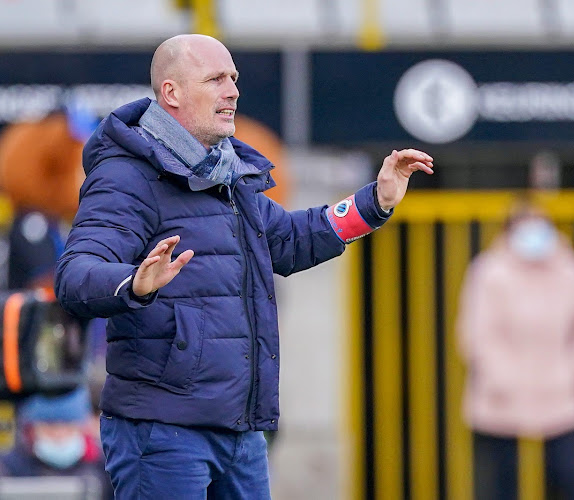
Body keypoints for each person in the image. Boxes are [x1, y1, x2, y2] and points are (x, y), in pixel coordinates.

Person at [53, 34, 433, 499]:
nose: (232, 90)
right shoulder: (126, 176)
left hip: (240, 430)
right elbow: (74, 276)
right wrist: (134, 283)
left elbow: (292, 239)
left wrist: (373, 203)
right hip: (163, 433)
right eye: (215, 79)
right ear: (171, 93)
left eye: (233, 78)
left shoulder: (227, 174)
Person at [456, 198, 574, 500]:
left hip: (561, 395)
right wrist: (503, 379)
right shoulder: (490, 271)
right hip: (499, 399)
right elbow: (477, 332)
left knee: (569, 479)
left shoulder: (571, 268)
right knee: (502, 484)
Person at [0, 387, 114, 499]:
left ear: (83, 427)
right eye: (50, 427)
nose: (59, 435)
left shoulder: (105, 466)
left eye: (68, 427)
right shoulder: (11, 467)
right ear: (32, 429)